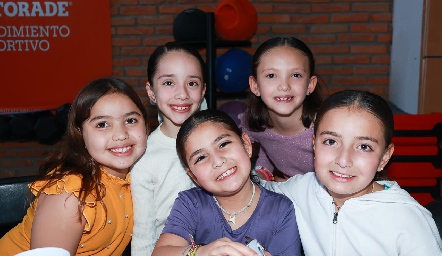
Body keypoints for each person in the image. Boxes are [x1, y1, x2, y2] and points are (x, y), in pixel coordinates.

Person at [262, 90, 442, 255]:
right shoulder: (302, 189)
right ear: (314, 144)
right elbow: (252, 191)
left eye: (364, 147)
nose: (343, 160)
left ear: (385, 157)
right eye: (331, 142)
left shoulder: (408, 220)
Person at [0, 77, 149, 255]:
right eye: (102, 124)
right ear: (80, 134)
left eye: (131, 120)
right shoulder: (70, 194)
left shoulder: (141, 177)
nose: (120, 134)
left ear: (146, 125)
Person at [152, 109, 302, 256]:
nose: (217, 161)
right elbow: (161, 251)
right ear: (193, 176)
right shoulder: (191, 203)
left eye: (223, 144)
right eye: (201, 158)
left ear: (246, 144)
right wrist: (201, 252)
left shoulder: (280, 210)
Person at [130, 41, 207, 255]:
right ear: (151, 92)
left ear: (203, 91)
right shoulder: (143, 160)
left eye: (192, 83)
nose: (182, 94)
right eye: (168, 83)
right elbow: (143, 240)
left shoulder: (217, 144)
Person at [239, 37, 323, 181]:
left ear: (310, 85)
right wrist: (261, 175)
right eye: (271, 75)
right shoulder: (254, 123)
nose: (284, 86)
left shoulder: (325, 126)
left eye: (295, 75)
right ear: (255, 86)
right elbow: (269, 146)